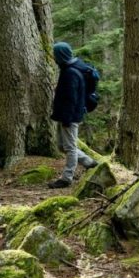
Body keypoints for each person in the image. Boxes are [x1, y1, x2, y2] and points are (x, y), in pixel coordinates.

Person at [48, 42, 96, 188]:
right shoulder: (71, 68)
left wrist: (67, 119)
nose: (54, 57)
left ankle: (66, 178)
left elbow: (71, 99)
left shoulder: (70, 73)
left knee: (70, 147)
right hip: (67, 114)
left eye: (55, 54)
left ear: (60, 56)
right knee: (63, 146)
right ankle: (89, 163)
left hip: (70, 116)